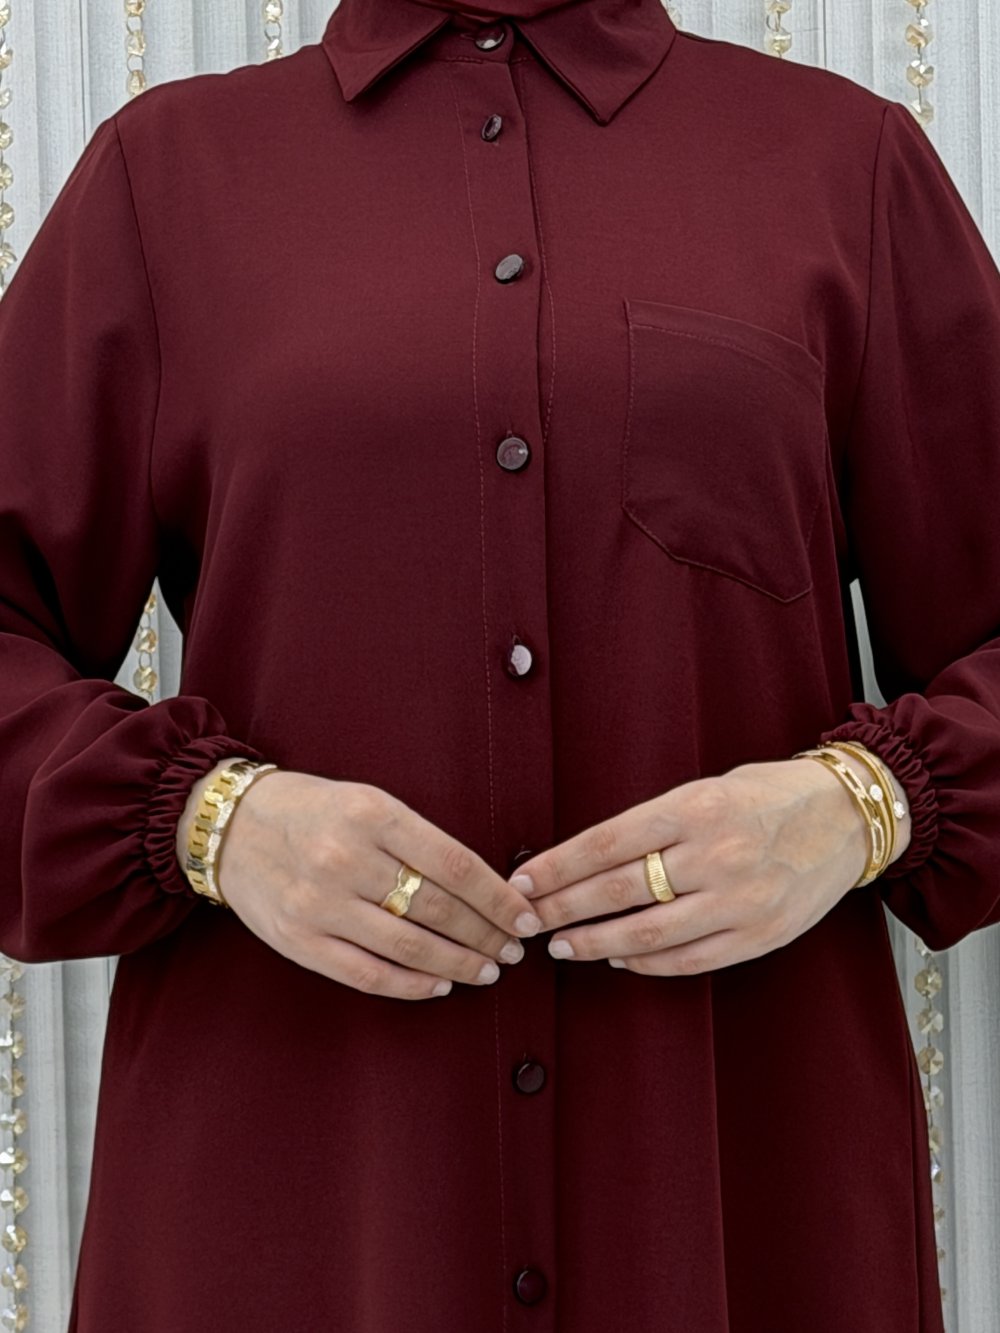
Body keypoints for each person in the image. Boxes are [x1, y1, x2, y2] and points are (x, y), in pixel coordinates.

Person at [1, 0, 998, 1327]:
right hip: (303, 1198)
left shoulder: (840, 166)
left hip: (739, 1181)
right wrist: (209, 821)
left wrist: (863, 805)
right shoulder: (166, 179)